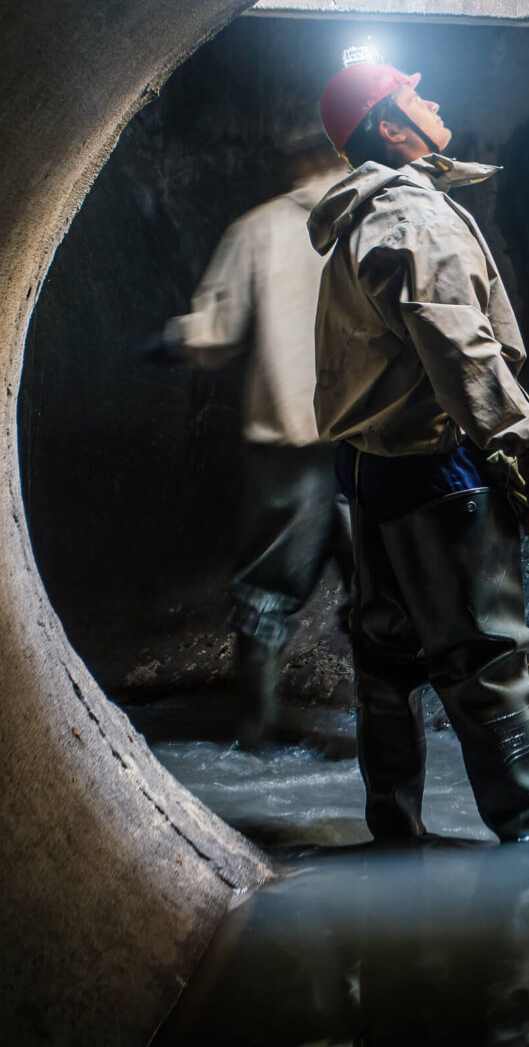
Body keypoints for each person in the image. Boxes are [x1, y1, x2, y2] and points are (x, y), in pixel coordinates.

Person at [308, 52, 529, 844]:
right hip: (436, 472)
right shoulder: (413, 218)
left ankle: (396, 844)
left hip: (368, 472)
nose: (430, 95)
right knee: (487, 669)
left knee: (386, 664)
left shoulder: (364, 215)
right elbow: (460, 346)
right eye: (412, 93)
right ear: (391, 127)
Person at [158, 131, 350, 750]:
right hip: (377, 445)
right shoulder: (384, 217)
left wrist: (167, 341)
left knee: (266, 599)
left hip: (287, 445)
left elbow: (214, 334)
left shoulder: (257, 228)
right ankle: (392, 750)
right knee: (389, 602)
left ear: (295, 157)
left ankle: (257, 743)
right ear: (345, 151)